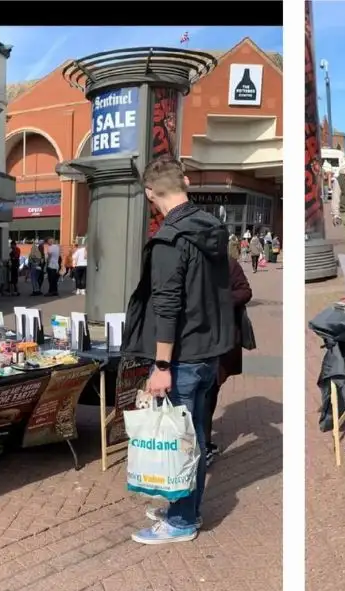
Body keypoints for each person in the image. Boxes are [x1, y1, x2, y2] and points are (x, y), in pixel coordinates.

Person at [123, 156, 233, 545]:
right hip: (208, 351)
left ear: (151, 193)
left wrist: (162, 364)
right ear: (184, 182)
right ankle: (186, 508)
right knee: (197, 435)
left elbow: (168, 305)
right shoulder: (212, 229)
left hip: (183, 356)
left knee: (184, 441)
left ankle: (182, 519)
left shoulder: (170, 239)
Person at [202, 255, 253, 466]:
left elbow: (245, 291)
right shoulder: (189, 260)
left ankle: (203, 444)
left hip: (221, 338)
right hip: (192, 338)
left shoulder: (228, 263)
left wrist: (221, 299)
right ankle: (200, 443)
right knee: (201, 391)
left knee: (210, 388)